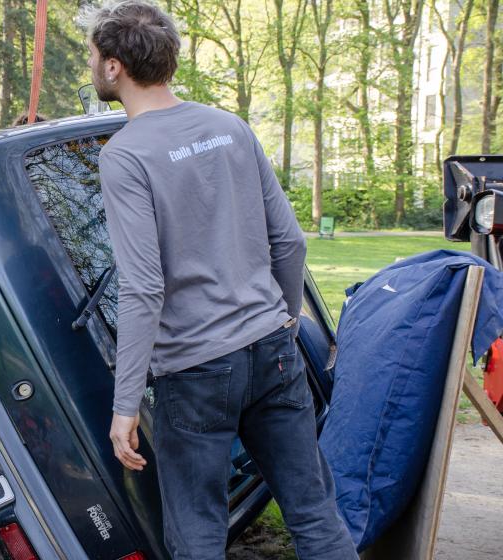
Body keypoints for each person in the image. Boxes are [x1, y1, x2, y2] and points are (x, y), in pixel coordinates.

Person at [81, 2, 358, 559]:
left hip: (197, 368)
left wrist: (125, 403)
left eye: (92, 56)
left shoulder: (126, 155)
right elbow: (292, 242)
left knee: (198, 535)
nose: (90, 66)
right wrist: (278, 315)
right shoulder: (229, 127)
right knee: (313, 513)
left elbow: (142, 287)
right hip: (273, 351)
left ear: (114, 67)